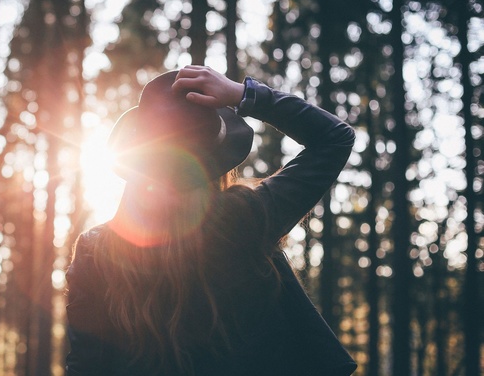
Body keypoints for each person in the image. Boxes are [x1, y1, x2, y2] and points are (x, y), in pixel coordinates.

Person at [65, 65, 357, 376]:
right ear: (217, 158)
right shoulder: (245, 218)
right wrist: (245, 94)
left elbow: (85, 366)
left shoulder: (96, 251)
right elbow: (334, 138)